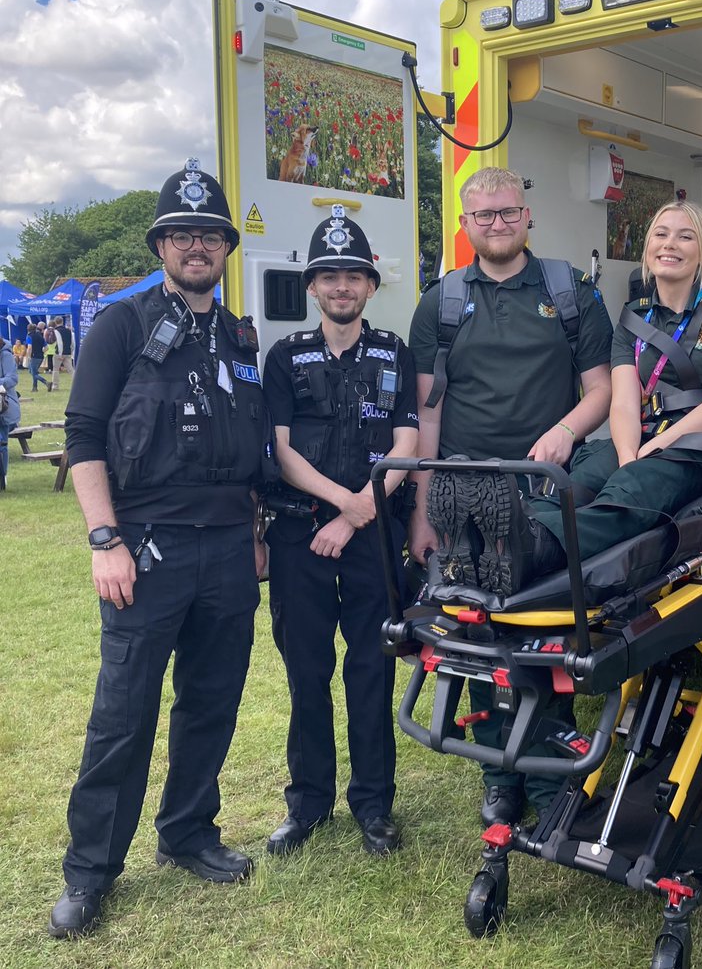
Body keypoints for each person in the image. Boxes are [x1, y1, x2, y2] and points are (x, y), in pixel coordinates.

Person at [50, 159, 269, 939]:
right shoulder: (124, 325)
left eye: (208, 233)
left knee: (210, 701)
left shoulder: (240, 335)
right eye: (181, 233)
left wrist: (252, 537)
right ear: (162, 245)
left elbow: (249, 451)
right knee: (124, 711)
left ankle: (187, 832)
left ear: (224, 246)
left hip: (226, 552)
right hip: (144, 548)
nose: (196, 245)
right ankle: (90, 871)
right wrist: (103, 538)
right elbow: (82, 436)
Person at [407, 166, 613, 827]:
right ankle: (499, 777)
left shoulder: (569, 291)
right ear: (465, 227)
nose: (497, 224)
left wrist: (564, 430)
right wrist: (422, 506)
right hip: (462, 500)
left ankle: (553, 786)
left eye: (507, 212)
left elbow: (602, 389)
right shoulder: (438, 302)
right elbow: (426, 417)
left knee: (542, 639)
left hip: (545, 498)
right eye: (483, 216)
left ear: (528, 216)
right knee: (476, 642)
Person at [435, 199, 702, 595]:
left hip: (701, 445)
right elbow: (622, 402)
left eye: (685, 237)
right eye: (661, 234)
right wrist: (626, 456)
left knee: (631, 490)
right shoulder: (633, 317)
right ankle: (492, 542)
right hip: (639, 438)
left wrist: (649, 452)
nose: (670, 244)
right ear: (647, 248)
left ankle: (539, 549)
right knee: (578, 479)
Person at [262, 208, 418, 857]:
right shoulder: (284, 356)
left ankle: (374, 805)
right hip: (301, 535)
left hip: (375, 537)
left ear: (370, 285)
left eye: (352, 275)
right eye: (328, 276)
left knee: (370, 671)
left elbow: (407, 442)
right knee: (306, 670)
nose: (341, 286)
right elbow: (280, 449)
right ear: (313, 286)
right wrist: (338, 507)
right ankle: (308, 803)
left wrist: (359, 513)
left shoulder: (395, 353)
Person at [1, 335, 20, 485]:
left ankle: (3, 476)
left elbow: (12, 378)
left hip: (4, 405)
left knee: (2, 442)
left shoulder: (6, 355)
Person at [26, 322, 50, 392]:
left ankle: (46, 382)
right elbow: (46, 347)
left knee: (33, 372)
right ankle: (35, 388)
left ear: (28, 329)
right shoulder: (40, 336)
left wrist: (29, 356)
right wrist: (42, 351)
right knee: (34, 372)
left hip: (34, 356)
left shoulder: (29, 336)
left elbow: (29, 347)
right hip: (40, 356)